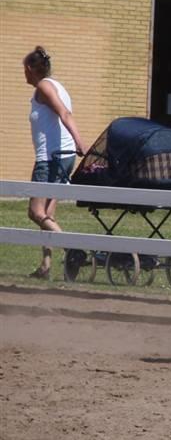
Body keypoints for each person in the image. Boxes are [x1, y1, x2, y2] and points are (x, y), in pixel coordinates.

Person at [24, 46, 88, 279]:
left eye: (24, 69)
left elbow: (64, 113)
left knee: (35, 211)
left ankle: (73, 249)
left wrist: (80, 141)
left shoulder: (44, 86)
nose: (24, 74)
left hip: (51, 158)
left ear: (30, 69)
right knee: (48, 215)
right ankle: (46, 266)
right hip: (63, 156)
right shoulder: (57, 85)